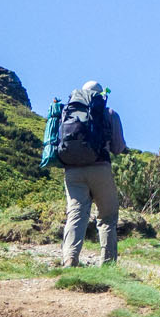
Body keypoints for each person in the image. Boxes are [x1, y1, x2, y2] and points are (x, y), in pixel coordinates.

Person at [55, 82, 128, 266]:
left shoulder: (66, 111)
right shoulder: (108, 113)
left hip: (72, 170)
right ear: (99, 95)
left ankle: (70, 258)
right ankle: (108, 264)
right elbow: (118, 147)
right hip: (100, 168)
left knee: (76, 214)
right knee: (107, 217)